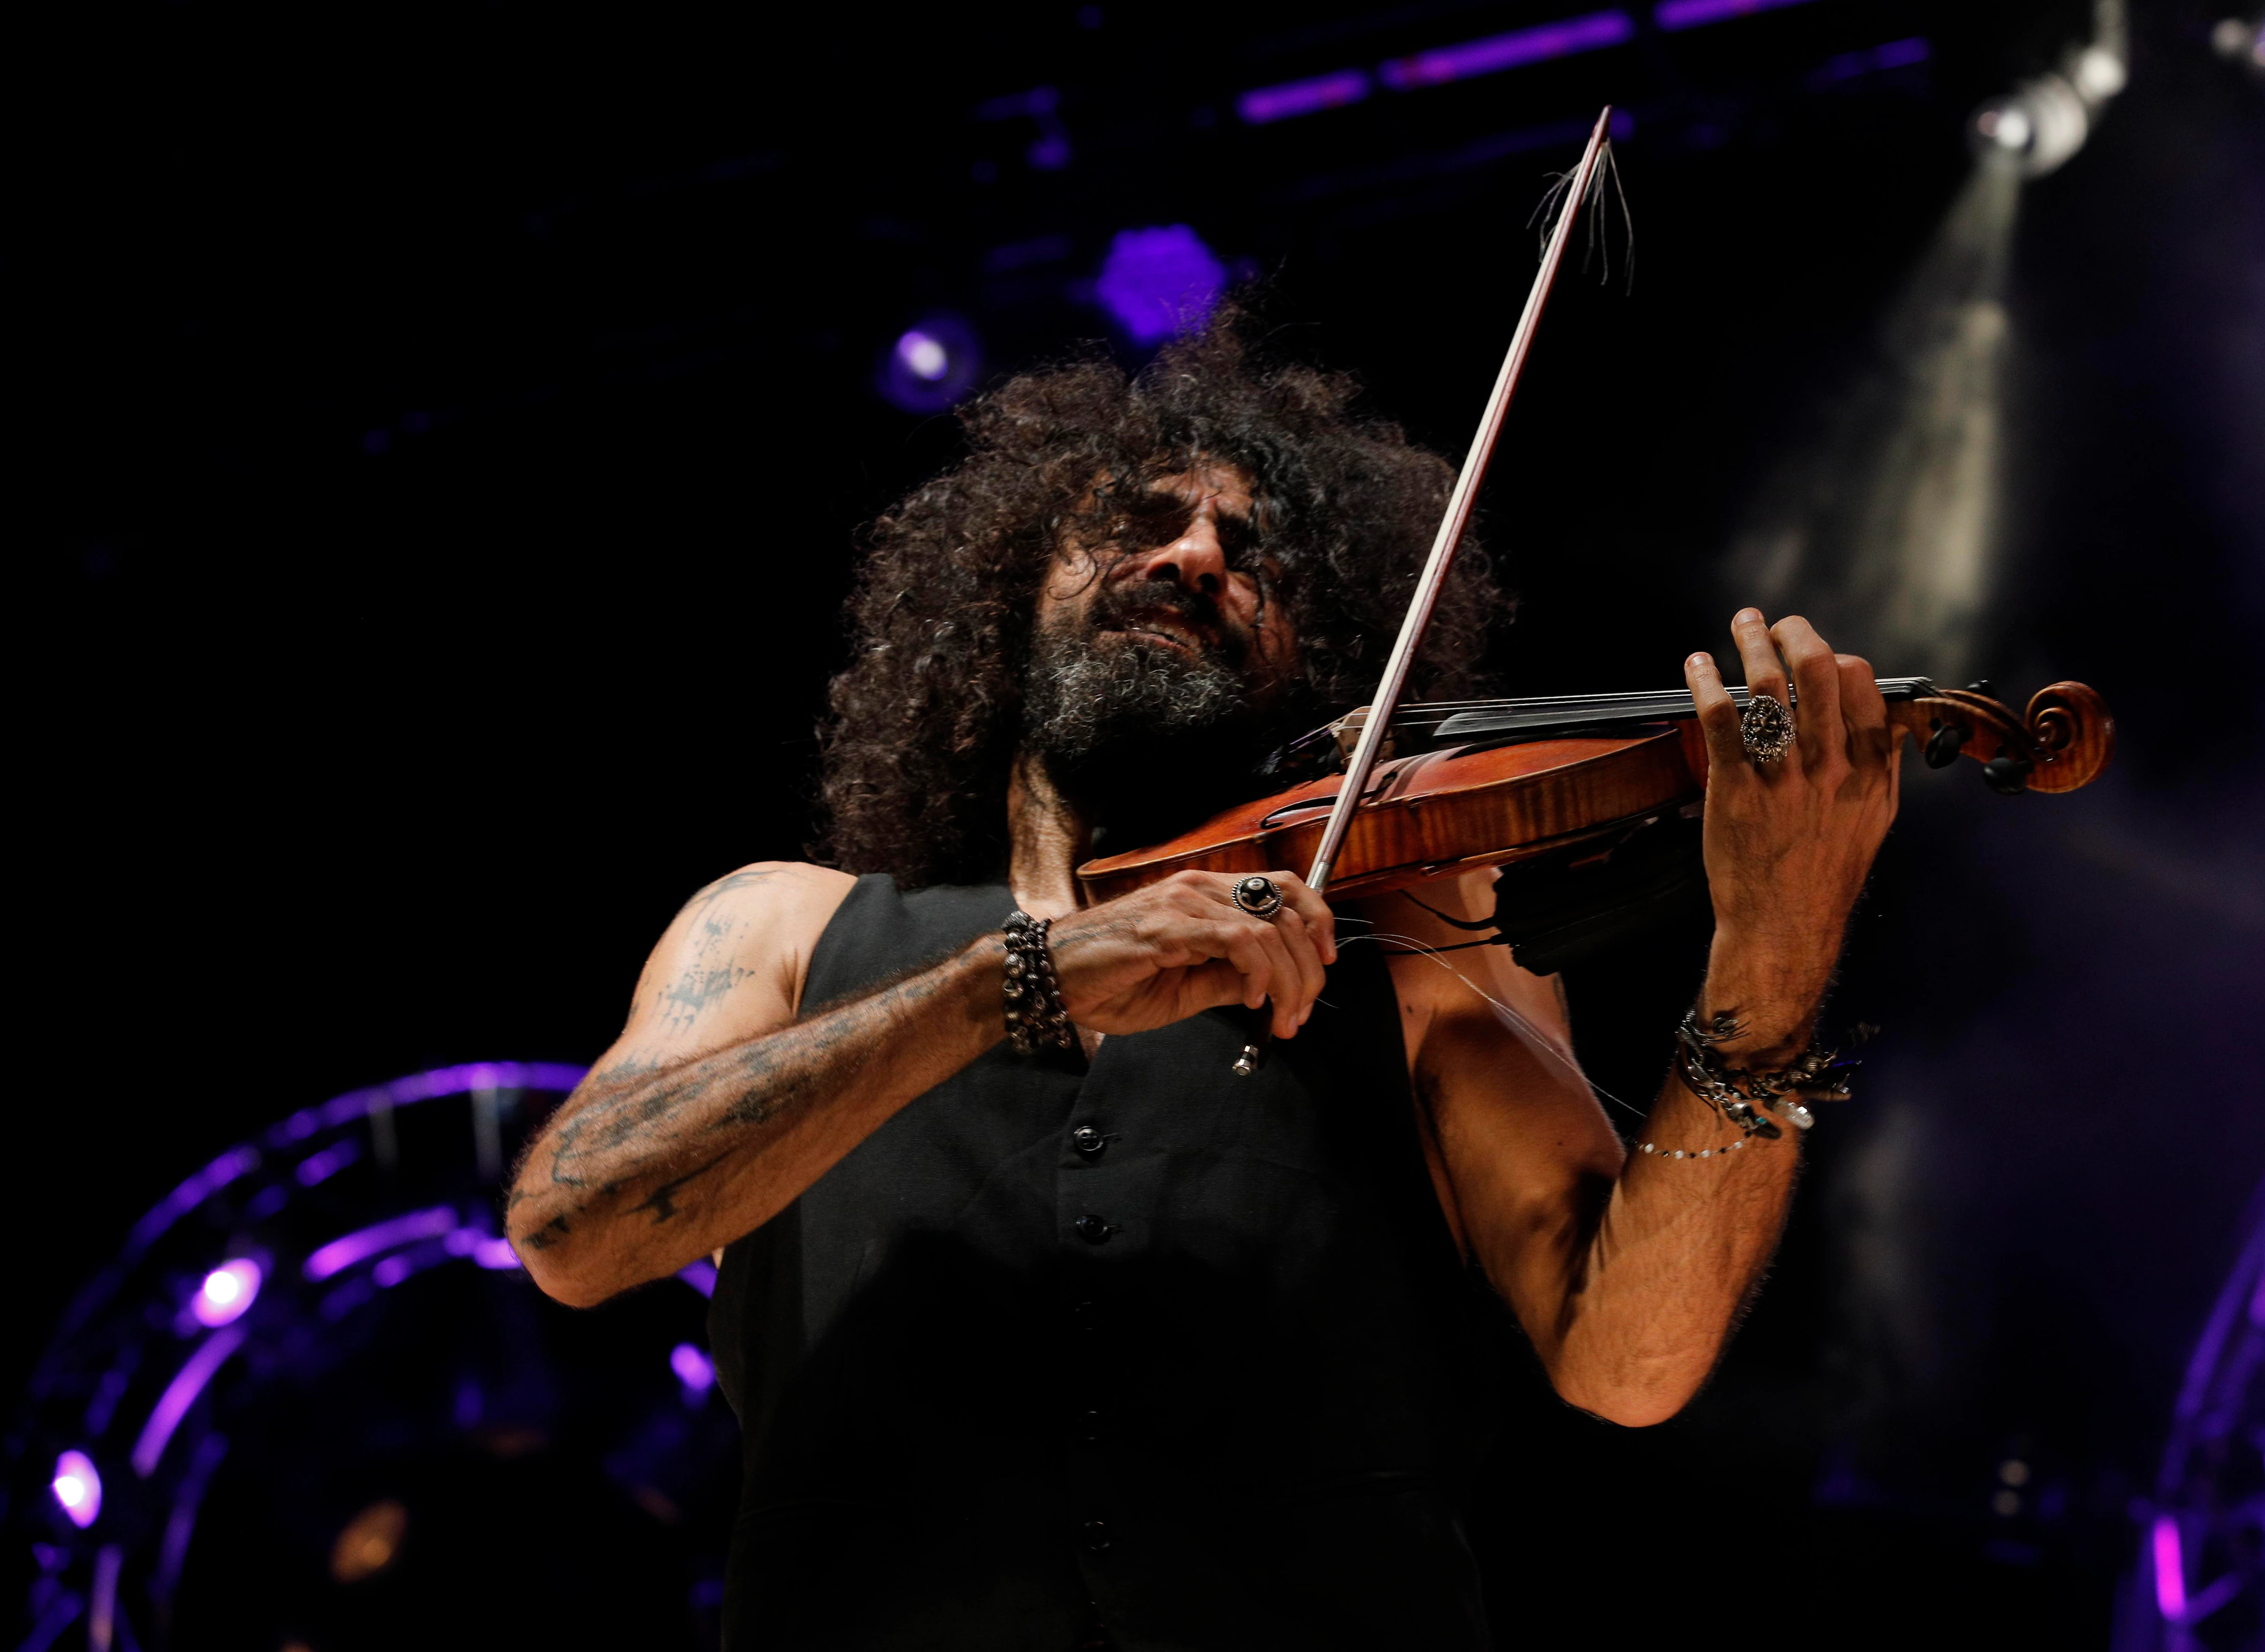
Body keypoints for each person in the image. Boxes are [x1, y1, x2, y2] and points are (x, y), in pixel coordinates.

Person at [507, 316, 1902, 1650]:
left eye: (1257, 554)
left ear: (1318, 657)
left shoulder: (1420, 952)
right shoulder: (782, 928)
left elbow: (1628, 1356)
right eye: (1141, 521)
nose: (1194, 556)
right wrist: (1015, 983)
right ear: (1006, 591)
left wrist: (1771, 966)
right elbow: (576, 1227)